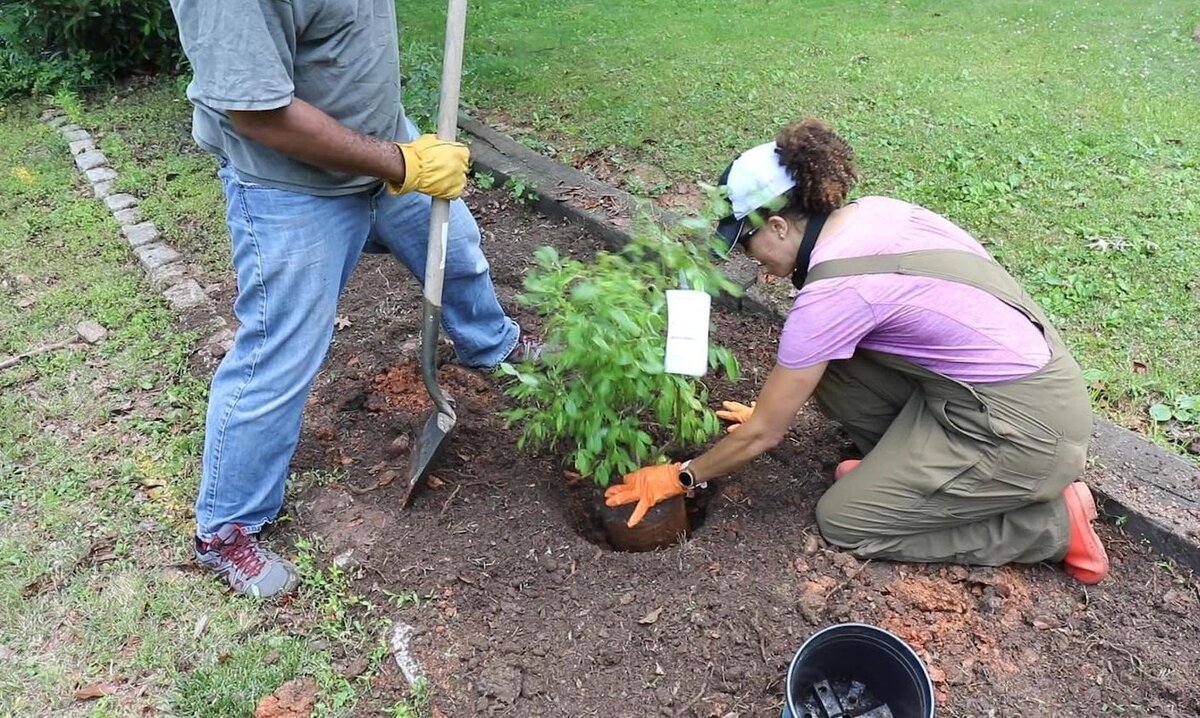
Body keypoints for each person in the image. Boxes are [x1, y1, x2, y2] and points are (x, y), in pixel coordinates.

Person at [604, 117, 1109, 585]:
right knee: (830, 367)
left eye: (746, 243)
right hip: (1016, 391)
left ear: (779, 226)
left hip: (1024, 433)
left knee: (844, 522)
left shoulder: (833, 295)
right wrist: (764, 413)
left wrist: (682, 475)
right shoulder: (875, 214)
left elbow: (765, 434)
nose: (750, 260)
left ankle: (1052, 524)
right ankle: (904, 482)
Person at [168, 1, 539, 598]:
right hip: (290, 187)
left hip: (387, 145)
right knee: (280, 352)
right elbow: (256, 112)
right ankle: (227, 527)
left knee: (458, 253)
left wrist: (399, 156)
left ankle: (491, 345)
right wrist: (402, 164)